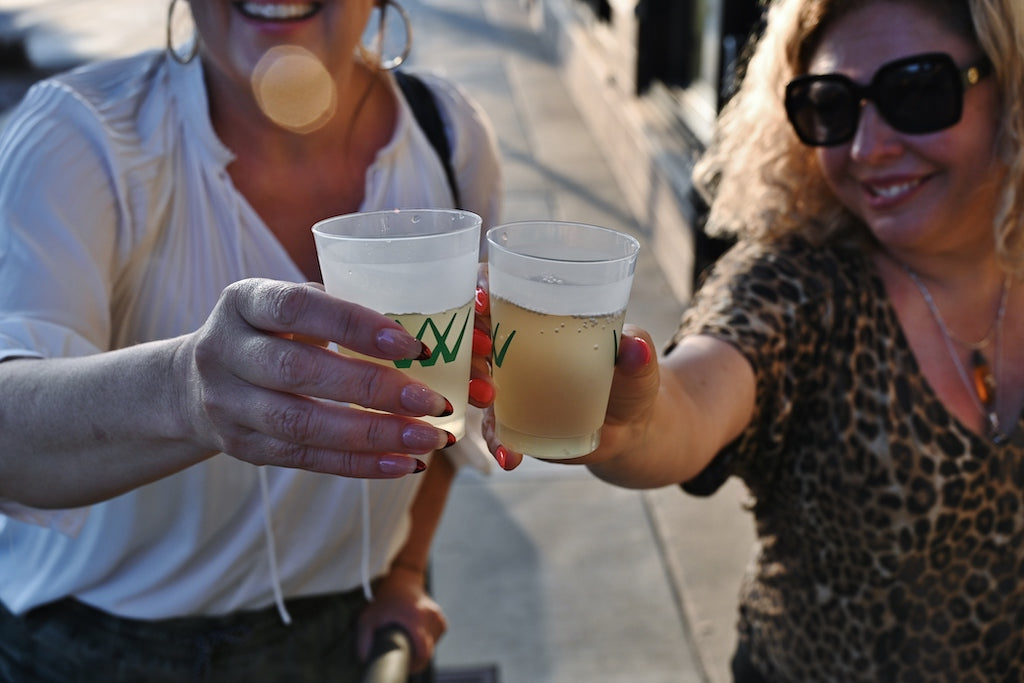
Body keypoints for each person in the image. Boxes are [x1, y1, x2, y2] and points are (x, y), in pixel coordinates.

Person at [483, 0, 1024, 679]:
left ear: (1010, 87)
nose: (868, 146)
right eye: (831, 106)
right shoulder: (797, 284)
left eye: (916, 92)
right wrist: (626, 422)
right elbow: (694, 399)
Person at [0, 0, 501, 679]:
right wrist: (188, 390)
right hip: (103, 648)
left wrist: (407, 570)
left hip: (354, 634)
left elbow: (449, 397)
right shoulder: (78, 135)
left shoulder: (448, 134)